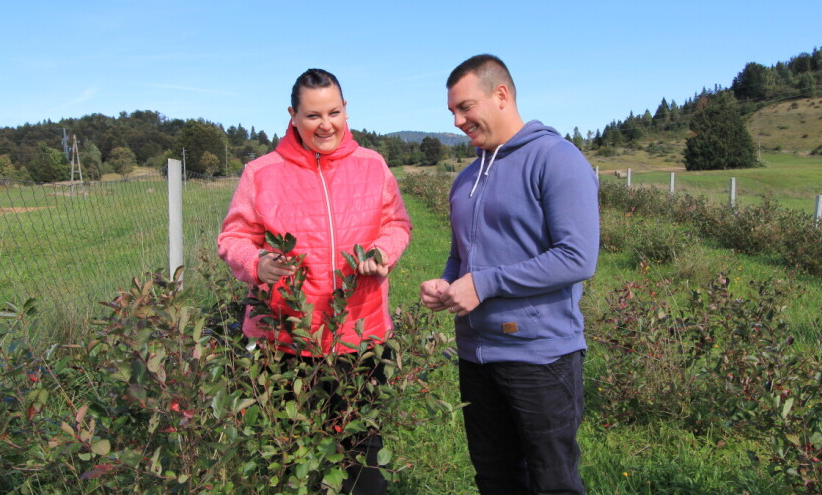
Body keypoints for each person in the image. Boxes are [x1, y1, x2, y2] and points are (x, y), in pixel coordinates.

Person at [218, 68, 412, 494]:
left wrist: (382, 252)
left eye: (334, 112)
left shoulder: (372, 166)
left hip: (360, 336)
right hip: (287, 337)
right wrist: (257, 262)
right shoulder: (262, 172)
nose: (326, 124)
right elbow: (233, 236)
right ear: (292, 115)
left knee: (362, 455)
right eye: (312, 115)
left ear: (346, 110)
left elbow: (396, 224)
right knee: (295, 459)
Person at [420, 54, 599, 495]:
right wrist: (448, 282)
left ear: (501, 95)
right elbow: (460, 254)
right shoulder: (465, 178)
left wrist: (485, 283)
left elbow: (578, 257)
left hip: (540, 357)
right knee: (495, 478)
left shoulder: (556, 159)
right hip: (476, 356)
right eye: (452, 112)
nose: (459, 121)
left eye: (465, 107)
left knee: (553, 481)